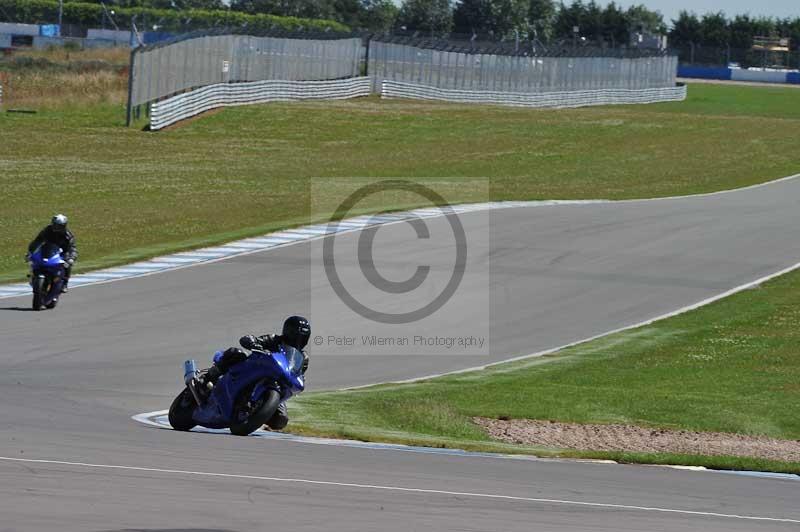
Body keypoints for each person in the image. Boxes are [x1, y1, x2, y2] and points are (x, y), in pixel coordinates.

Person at [198, 316, 311, 431]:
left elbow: (298, 372)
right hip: (256, 370)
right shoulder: (275, 340)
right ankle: (207, 378)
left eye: (302, 338)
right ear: (287, 332)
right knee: (236, 353)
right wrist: (254, 342)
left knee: (281, 419)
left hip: (276, 384)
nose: (298, 340)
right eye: (295, 335)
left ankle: (255, 414)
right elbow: (255, 340)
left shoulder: (303, 358)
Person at [27, 214, 78, 292]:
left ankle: (64, 282)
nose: (56, 228)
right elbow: (37, 241)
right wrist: (30, 252)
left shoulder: (68, 235)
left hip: (62, 252)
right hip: (48, 250)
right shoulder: (47, 230)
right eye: (55, 225)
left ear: (64, 226)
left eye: (59, 226)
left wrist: (71, 258)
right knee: (34, 261)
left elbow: (72, 248)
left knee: (67, 264)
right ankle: (33, 276)